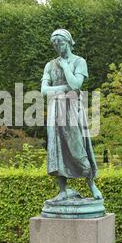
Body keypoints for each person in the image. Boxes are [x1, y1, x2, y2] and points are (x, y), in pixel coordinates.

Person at [41, 29, 103, 201]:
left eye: (60, 42)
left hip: (72, 107)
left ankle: (91, 185)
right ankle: (63, 190)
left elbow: (75, 85)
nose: (57, 46)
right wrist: (62, 89)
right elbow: (44, 90)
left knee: (78, 147)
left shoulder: (79, 62)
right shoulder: (49, 65)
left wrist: (66, 67)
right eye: (54, 43)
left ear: (68, 42)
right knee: (56, 149)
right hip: (55, 109)